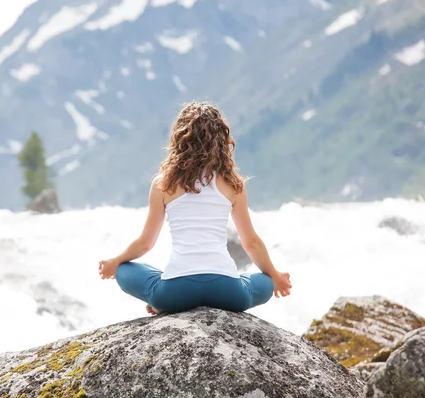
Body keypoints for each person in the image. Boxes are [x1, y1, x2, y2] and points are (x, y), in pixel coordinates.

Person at [98, 101, 292, 315]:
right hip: (228, 292)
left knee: (125, 269)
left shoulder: (163, 184)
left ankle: (161, 304)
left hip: (174, 292)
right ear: (222, 140)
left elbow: (145, 243)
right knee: (263, 282)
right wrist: (275, 276)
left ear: (180, 139)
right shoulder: (233, 185)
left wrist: (115, 262)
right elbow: (251, 243)